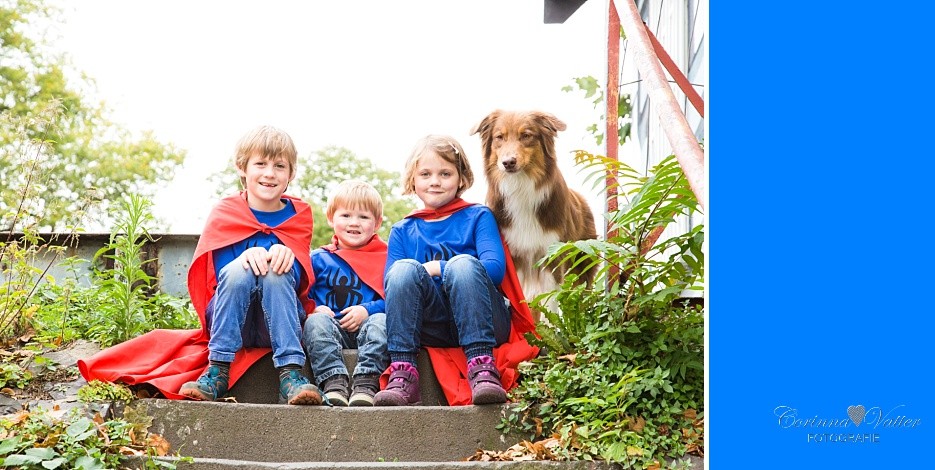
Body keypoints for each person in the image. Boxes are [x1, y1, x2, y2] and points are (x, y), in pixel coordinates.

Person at [373, 135, 538, 407]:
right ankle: (403, 372)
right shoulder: (403, 230)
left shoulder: (477, 216)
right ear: (413, 180)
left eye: (445, 173)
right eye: (425, 174)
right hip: (432, 324)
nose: (435, 181)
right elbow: (393, 289)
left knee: (463, 264)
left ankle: (482, 368)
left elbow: (495, 271)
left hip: (482, 318)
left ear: (461, 178)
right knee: (402, 270)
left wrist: (439, 267)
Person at [178, 125, 322, 405]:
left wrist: (284, 257)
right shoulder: (226, 211)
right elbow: (219, 276)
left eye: (279, 166)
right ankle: (218, 370)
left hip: (278, 321)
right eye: (261, 164)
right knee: (237, 269)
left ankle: (291, 373)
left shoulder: (299, 215)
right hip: (234, 320)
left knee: (275, 272)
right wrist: (243, 259)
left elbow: (302, 279)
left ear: (290, 174)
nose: (270, 173)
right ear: (242, 167)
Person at [301, 180, 389, 406]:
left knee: (383, 321)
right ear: (331, 218)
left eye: (364, 217)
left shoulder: (386, 258)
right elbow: (301, 295)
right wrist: (315, 308)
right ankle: (333, 381)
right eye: (346, 216)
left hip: (369, 327)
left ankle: (366, 382)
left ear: (377, 223)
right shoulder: (318, 259)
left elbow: (395, 300)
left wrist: (366, 310)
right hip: (333, 328)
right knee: (315, 322)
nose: (354, 223)